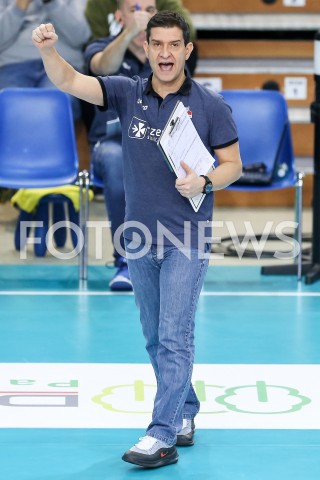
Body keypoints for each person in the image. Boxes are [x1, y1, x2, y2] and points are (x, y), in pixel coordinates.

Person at [32, 11, 242, 468]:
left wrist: (205, 182)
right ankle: (184, 410)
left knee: (174, 335)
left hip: (187, 236)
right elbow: (69, 79)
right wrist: (49, 51)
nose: (165, 54)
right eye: (157, 45)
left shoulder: (210, 105)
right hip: (139, 236)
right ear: (146, 49)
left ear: (187, 50)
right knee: (153, 336)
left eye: (174, 45)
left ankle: (161, 434)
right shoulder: (127, 93)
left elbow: (233, 166)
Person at [84, 0, 156, 291]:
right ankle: (126, 259)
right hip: (110, 144)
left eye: (150, 9)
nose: (143, 15)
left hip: (154, 145)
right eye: (135, 8)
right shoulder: (100, 46)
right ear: (119, 15)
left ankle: (177, 259)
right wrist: (128, 35)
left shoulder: (165, 54)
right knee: (117, 160)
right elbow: (103, 66)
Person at [0, 0, 91, 120]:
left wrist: (52, 2)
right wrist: (19, 6)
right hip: (13, 65)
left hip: (61, 63)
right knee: (9, 108)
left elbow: (81, 37)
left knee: (56, 106)